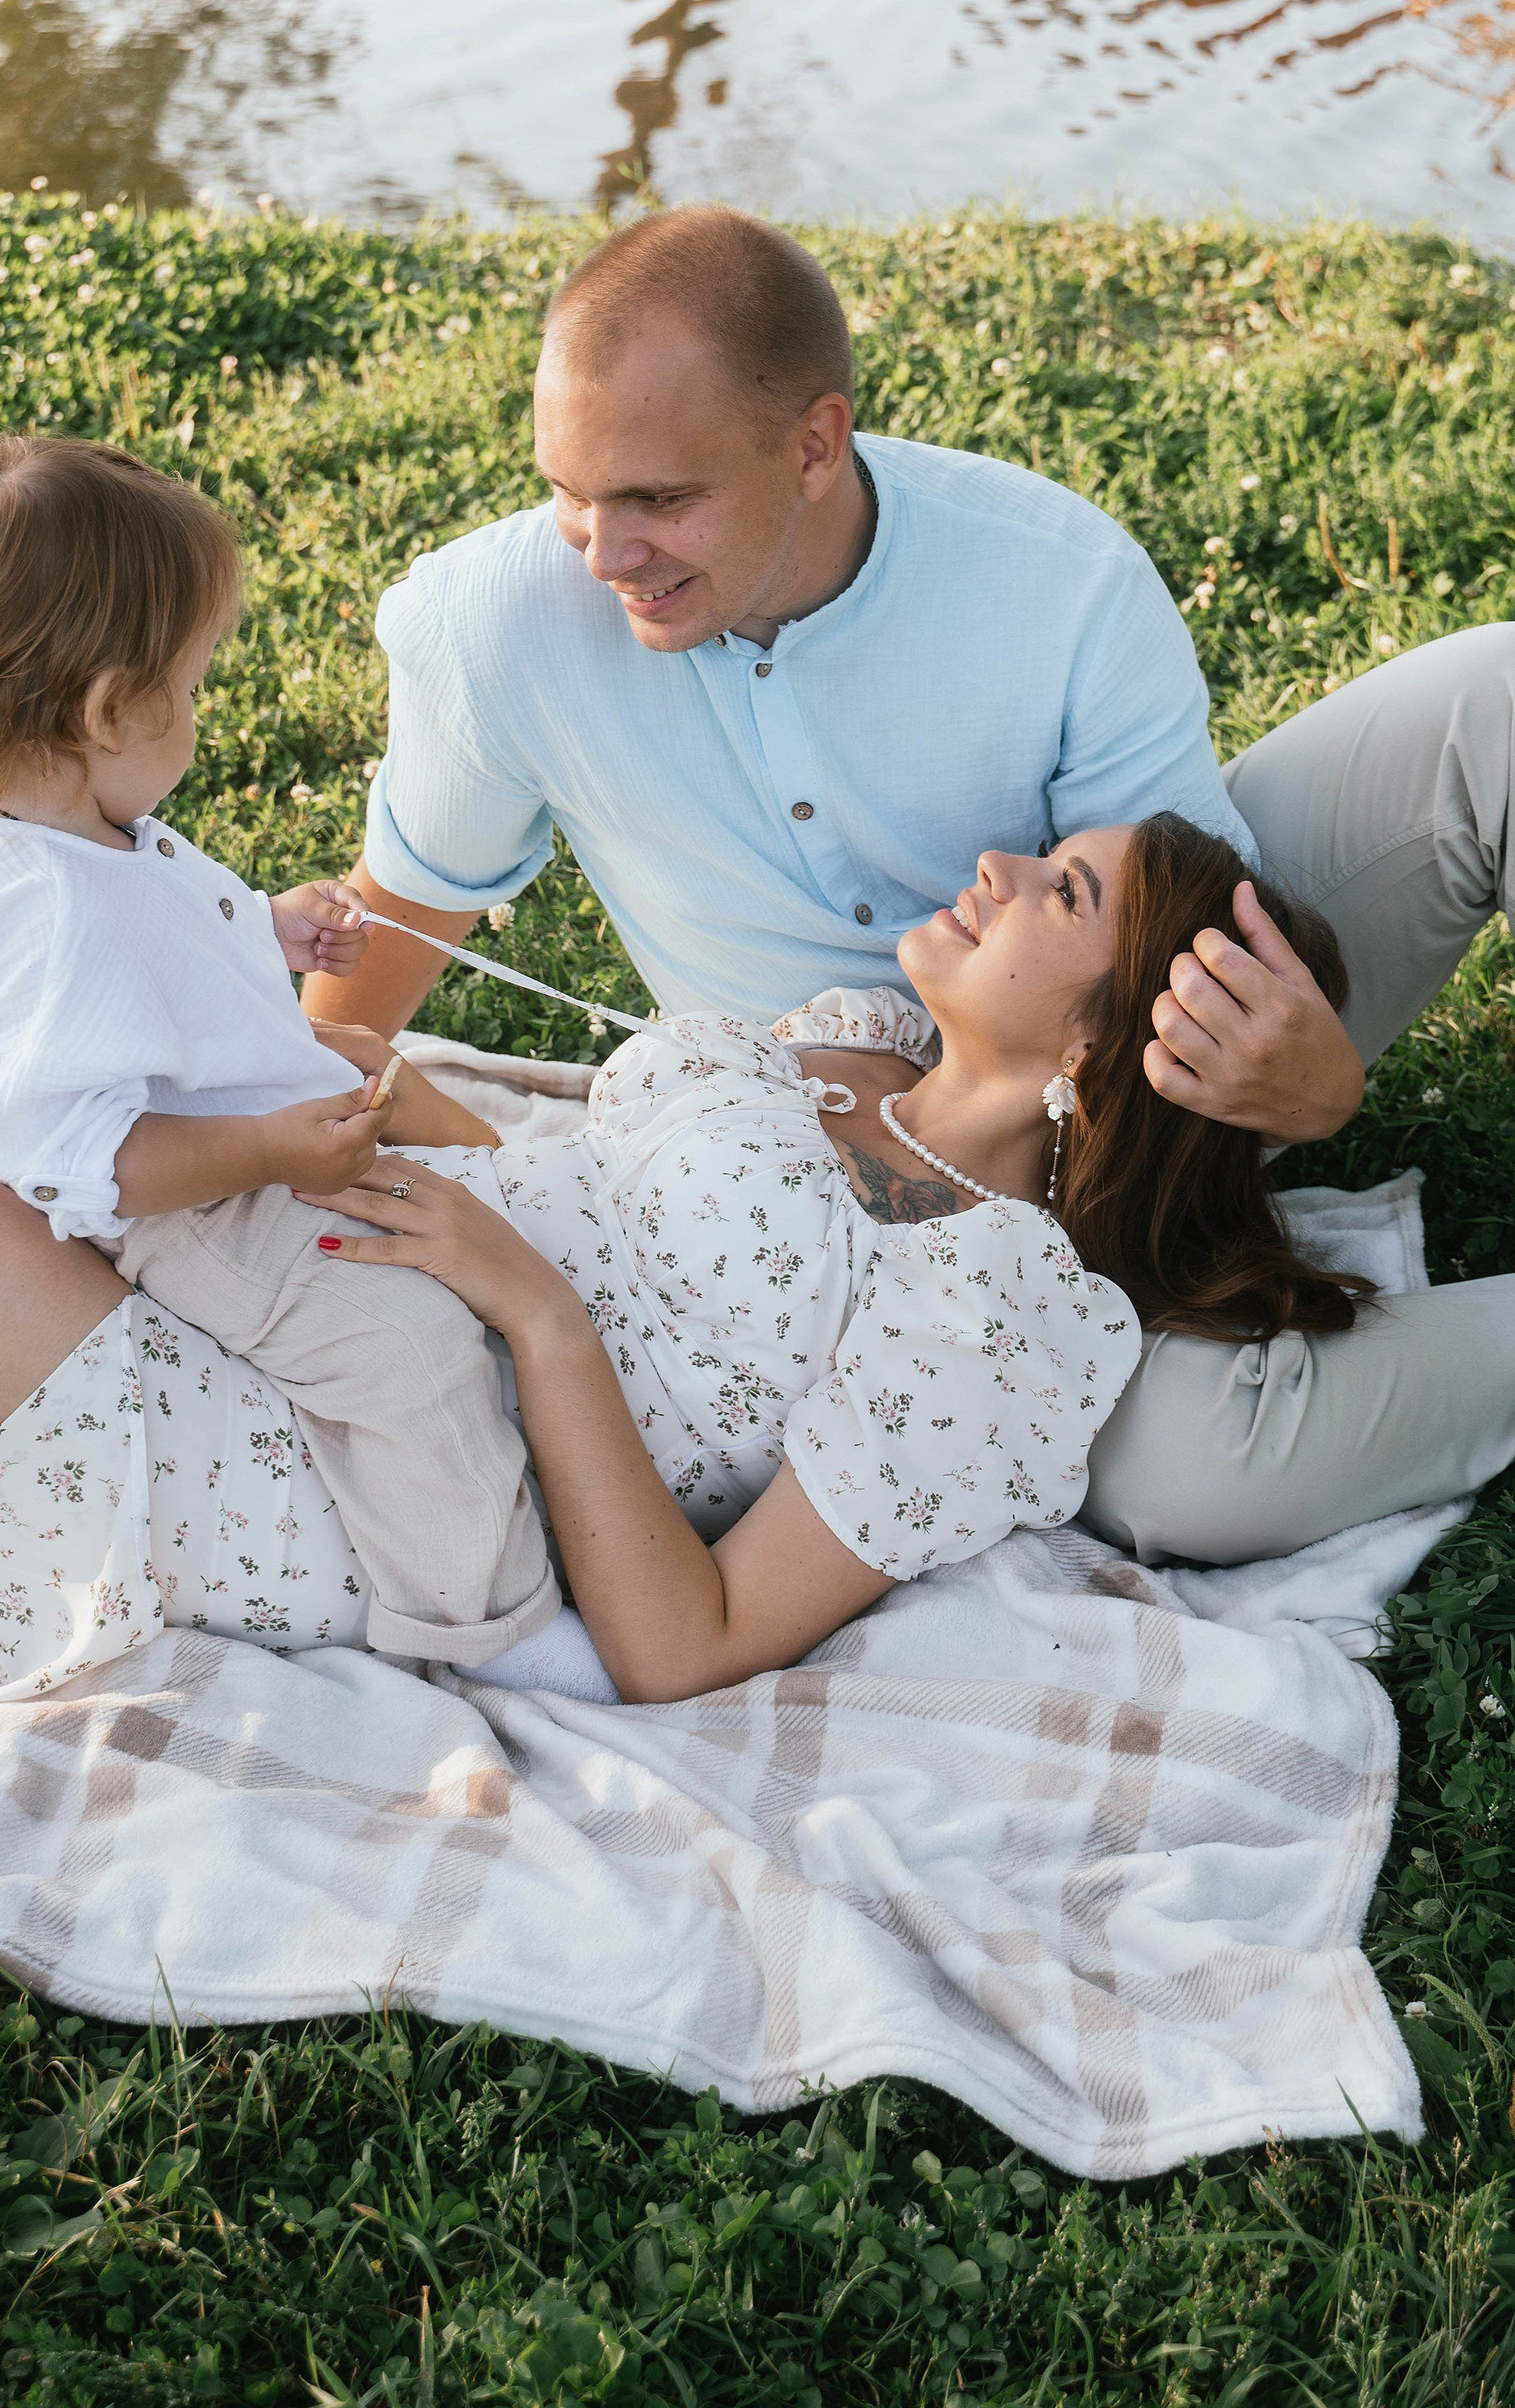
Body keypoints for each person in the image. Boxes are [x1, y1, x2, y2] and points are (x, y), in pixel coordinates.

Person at [302, 203, 1515, 1563]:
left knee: (1501, 700)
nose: (602, 553)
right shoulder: (496, 626)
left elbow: (1164, 907)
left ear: (815, 444)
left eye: (660, 499)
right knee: (1188, 1480)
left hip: (1159, 1056)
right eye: (571, 491)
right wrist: (273, 1101)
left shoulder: (1056, 580)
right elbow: (401, 917)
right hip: (888, 1236)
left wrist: (1309, 1084)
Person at [0, 814, 1378, 1712]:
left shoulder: (1003, 1314)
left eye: (1058, 891)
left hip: (328, 1463)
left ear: (1100, 1047)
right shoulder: (845, 1048)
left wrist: (534, 1310)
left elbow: (691, 1640)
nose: (997, 861)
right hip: (293, 1264)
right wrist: (280, 1053)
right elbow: (554, 1170)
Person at [0, 432, 559, 1677]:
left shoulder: (66, 827)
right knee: (407, 1357)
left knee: (458, 1230)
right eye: (189, 683)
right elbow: (84, 1159)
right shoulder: (45, 909)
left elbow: (148, 949)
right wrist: (264, 1144)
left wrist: (268, 930)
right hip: (180, 1213)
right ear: (111, 707)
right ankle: (484, 1629)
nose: (198, 708)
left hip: (215, 1149)